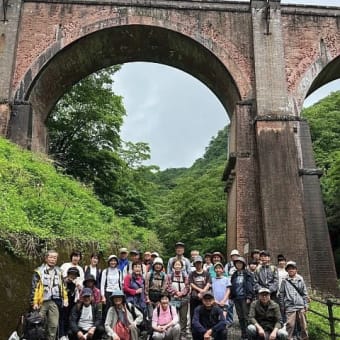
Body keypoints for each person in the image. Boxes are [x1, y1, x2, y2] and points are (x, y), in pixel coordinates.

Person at [30, 249, 68, 340]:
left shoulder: (59, 271)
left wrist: (65, 299)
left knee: (54, 325)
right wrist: (34, 302)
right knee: (38, 324)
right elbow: (34, 287)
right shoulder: (39, 271)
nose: (52, 259)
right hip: (41, 301)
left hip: (54, 301)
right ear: (46, 258)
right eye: (50, 257)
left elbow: (63, 286)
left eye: (55, 258)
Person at [279, 261, 309, 340]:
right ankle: (288, 338)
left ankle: (304, 338)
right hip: (290, 305)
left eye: (293, 268)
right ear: (287, 270)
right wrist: (283, 306)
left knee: (303, 325)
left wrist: (306, 304)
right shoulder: (284, 280)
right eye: (289, 269)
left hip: (300, 305)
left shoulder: (300, 279)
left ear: (296, 270)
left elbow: (304, 293)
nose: (291, 270)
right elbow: (281, 294)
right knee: (290, 325)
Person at [230, 256, 254, 339]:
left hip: (245, 298)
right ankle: (243, 333)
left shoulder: (247, 274)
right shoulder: (234, 274)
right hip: (237, 298)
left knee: (246, 316)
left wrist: (249, 297)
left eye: (240, 263)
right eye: (237, 263)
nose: (238, 264)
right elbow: (232, 286)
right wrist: (232, 297)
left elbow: (250, 286)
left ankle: (249, 334)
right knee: (240, 316)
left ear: (243, 264)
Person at [167, 259, 190, 338]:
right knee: (174, 316)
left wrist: (181, 293)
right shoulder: (170, 276)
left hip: (184, 299)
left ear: (182, 266)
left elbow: (187, 287)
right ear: (173, 266)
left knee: (183, 317)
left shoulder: (185, 276)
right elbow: (168, 287)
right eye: (176, 265)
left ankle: (182, 333)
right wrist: (176, 293)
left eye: (179, 265)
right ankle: (174, 333)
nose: (177, 266)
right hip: (174, 299)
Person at [59, 267, 81, 338]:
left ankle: (66, 334)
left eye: (75, 275)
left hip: (71, 304)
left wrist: (78, 288)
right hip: (63, 304)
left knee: (69, 318)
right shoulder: (63, 281)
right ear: (68, 274)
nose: (73, 276)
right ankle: (61, 335)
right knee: (62, 318)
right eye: (71, 274)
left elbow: (77, 296)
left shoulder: (75, 284)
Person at [189, 255, 211, 324]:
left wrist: (203, 291)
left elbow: (208, 283)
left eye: (199, 263)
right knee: (194, 314)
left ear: (202, 263)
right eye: (196, 263)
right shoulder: (192, 274)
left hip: (205, 296)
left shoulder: (207, 273)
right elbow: (191, 284)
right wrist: (200, 291)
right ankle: (193, 329)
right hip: (195, 296)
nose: (198, 264)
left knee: (205, 313)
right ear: (194, 264)